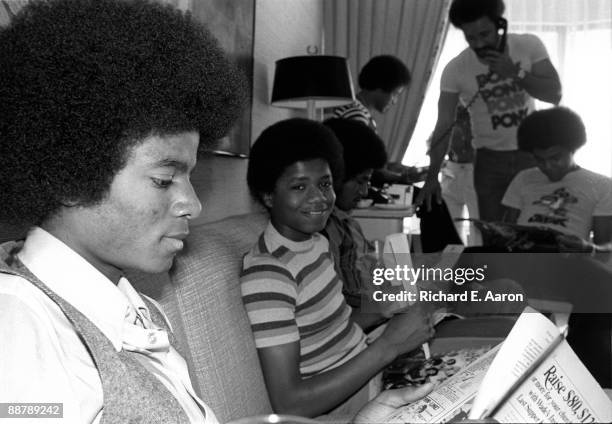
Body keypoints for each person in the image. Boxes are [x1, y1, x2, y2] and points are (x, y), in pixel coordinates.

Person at [240, 118, 434, 418]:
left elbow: (332, 332)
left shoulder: (316, 243)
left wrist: (380, 310)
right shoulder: (269, 273)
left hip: (370, 372)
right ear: (268, 195)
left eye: (325, 183)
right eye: (299, 186)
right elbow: (291, 404)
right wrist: (390, 345)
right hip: (349, 405)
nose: (318, 198)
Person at [417, 0, 562, 224]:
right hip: (488, 160)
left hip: (532, 155)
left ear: (500, 26)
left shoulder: (528, 45)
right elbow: (444, 124)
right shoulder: (456, 69)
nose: (480, 44)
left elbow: (554, 94)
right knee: (494, 234)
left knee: (534, 228)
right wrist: (432, 176)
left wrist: (515, 73)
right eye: (471, 38)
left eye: (485, 34)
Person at [333, 55, 462, 252]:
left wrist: (402, 172)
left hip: (364, 180)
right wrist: (404, 177)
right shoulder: (356, 116)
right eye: (395, 95)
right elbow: (363, 169)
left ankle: (446, 256)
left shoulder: (357, 112)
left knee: (429, 199)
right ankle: (446, 258)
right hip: (359, 185)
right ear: (379, 88)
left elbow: (372, 164)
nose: (394, 101)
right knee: (430, 201)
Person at [502, 107, 612, 252]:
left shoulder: (602, 185)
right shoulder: (524, 178)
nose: (547, 166)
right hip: (522, 257)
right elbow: (506, 231)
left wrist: (587, 248)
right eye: (539, 159)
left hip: (567, 262)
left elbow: (605, 247)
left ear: (572, 149)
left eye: (555, 158)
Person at [439, 106, 481, 245]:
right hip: (451, 170)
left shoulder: (479, 118)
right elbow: (434, 143)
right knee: (450, 225)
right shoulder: (448, 118)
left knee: (477, 224)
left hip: (473, 170)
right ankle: (453, 261)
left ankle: (480, 261)